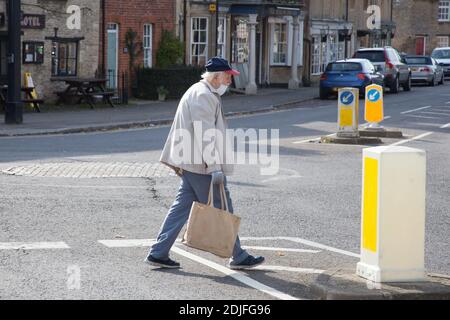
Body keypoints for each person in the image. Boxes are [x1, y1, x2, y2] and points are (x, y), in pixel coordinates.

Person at [144, 57, 265, 270]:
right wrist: (215, 167)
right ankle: (238, 256)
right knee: (222, 206)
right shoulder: (203, 96)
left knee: (181, 208)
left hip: (192, 163)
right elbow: (205, 135)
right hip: (201, 164)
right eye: (228, 76)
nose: (230, 80)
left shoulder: (200, 91)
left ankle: (159, 252)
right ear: (216, 77)